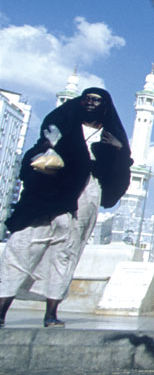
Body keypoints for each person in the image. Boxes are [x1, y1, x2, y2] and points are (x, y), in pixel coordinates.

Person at [0, 88, 131, 328]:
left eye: (96, 100)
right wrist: (50, 144)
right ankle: (1, 311)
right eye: (87, 99)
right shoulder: (63, 125)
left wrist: (119, 150)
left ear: (104, 106)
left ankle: (51, 314)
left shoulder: (109, 137)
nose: (90, 103)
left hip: (85, 195)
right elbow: (37, 155)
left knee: (66, 254)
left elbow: (119, 173)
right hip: (49, 195)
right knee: (22, 248)